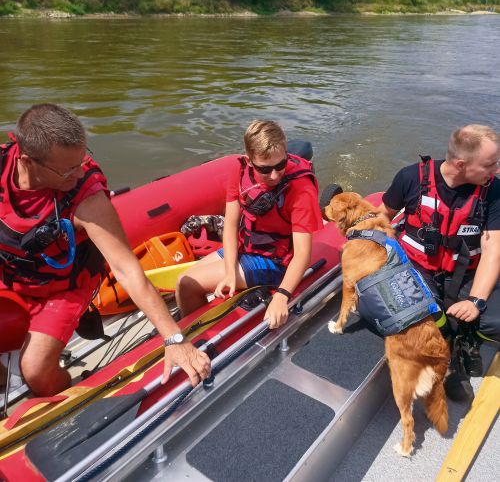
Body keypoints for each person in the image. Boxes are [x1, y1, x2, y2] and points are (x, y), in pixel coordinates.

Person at [0, 104, 210, 397]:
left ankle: (57, 399)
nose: (79, 173)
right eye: (68, 169)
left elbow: (128, 271)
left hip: (64, 285)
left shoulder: (87, 198)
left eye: (82, 161)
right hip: (12, 274)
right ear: (26, 161)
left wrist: (174, 339)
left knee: (36, 370)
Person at [377, 125, 500, 402]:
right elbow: (382, 217)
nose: (495, 170)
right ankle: (450, 356)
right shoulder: (410, 178)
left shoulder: (494, 191)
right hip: (419, 269)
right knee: (423, 320)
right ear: (461, 164)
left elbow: (493, 250)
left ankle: (467, 336)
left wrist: (475, 301)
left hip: (466, 272)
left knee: (494, 321)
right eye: (490, 164)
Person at [176, 120, 323, 329]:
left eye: (280, 165)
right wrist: (229, 272)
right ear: (250, 160)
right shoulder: (239, 171)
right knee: (183, 280)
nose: (274, 175)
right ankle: (195, 324)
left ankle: (197, 336)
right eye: (265, 169)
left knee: (188, 284)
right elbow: (231, 224)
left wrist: (281, 296)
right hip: (246, 247)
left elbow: (302, 254)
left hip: (276, 262)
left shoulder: (301, 190)